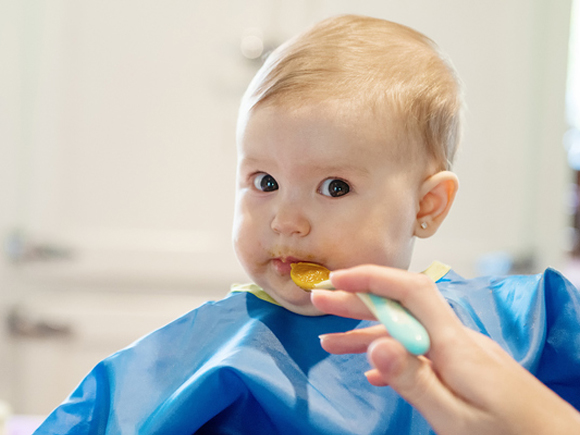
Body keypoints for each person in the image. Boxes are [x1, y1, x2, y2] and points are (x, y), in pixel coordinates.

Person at [33, 14, 580, 435]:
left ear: (427, 206)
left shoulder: (528, 321)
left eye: (334, 188)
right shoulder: (205, 350)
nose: (285, 221)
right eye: (264, 182)